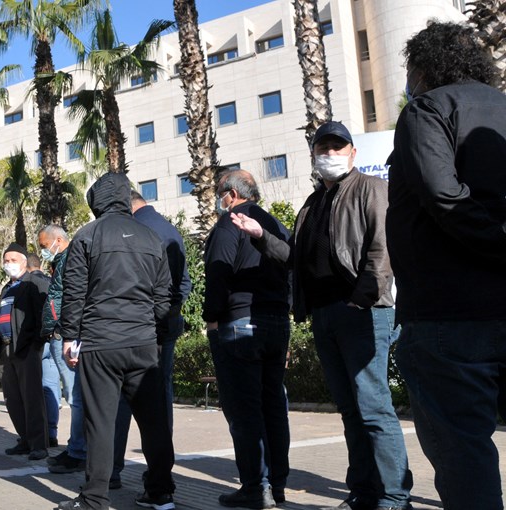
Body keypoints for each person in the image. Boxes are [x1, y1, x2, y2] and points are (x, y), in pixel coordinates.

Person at [233, 120, 412, 510]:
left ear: (353, 153)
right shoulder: (311, 205)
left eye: (337, 147)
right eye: (323, 148)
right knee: (350, 410)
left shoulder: (371, 189)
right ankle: (364, 490)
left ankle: (396, 496)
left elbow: (383, 251)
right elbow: (295, 260)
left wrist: (362, 299)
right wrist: (260, 236)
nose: (330, 154)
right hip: (325, 315)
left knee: (373, 407)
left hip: (362, 312)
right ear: (313, 156)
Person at [387, 21, 506, 510]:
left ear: (422, 66)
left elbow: (442, 194)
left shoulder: (427, 110)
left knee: (463, 451)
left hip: (449, 316)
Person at [58, 172, 175, 510]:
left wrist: (70, 336)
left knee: (101, 423)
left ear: (96, 201)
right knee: (154, 421)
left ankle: (95, 499)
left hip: (100, 343)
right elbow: (162, 296)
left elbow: (75, 292)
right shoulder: (152, 238)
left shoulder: (86, 236)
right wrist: (154, 331)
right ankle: (160, 491)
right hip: (143, 343)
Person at [203, 170, 291, 508]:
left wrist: (211, 317)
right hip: (276, 322)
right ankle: (277, 483)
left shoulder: (230, 223)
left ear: (229, 194)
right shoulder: (276, 225)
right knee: (273, 406)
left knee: (244, 409)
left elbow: (218, 273)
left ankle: (256, 486)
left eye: (219, 192)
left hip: (239, 323)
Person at [111, 189, 194, 489]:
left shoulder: (136, 232)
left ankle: (113, 470)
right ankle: (159, 472)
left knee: (122, 396)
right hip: (166, 325)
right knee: (161, 398)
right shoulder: (170, 228)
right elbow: (184, 283)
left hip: (139, 328)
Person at [39, 224, 86, 475]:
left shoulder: (68, 258)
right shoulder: (62, 259)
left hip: (66, 333)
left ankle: (79, 452)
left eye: (44, 246)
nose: (44, 251)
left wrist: (61, 330)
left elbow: (65, 296)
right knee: (75, 395)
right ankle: (76, 448)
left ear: (58, 240)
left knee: (75, 395)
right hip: (65, 331)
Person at [0, 243, 49, 461]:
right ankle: (25, 439)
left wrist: (36, 342)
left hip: (26, 348)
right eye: (6, 261)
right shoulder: (7, 288)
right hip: (6, 348)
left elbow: (43, 316)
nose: (9, 265)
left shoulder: (34, 283)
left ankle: (39, 444)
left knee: (32, 397)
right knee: (13, 398)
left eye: (13, 260)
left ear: (24, 262)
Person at [26, 252, 59, 448]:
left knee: (32, 390)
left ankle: (36, 435)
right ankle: (52, 433)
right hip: (52, 339)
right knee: (51, 388)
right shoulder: (51, 282)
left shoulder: (26, 283)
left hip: (34, 342)